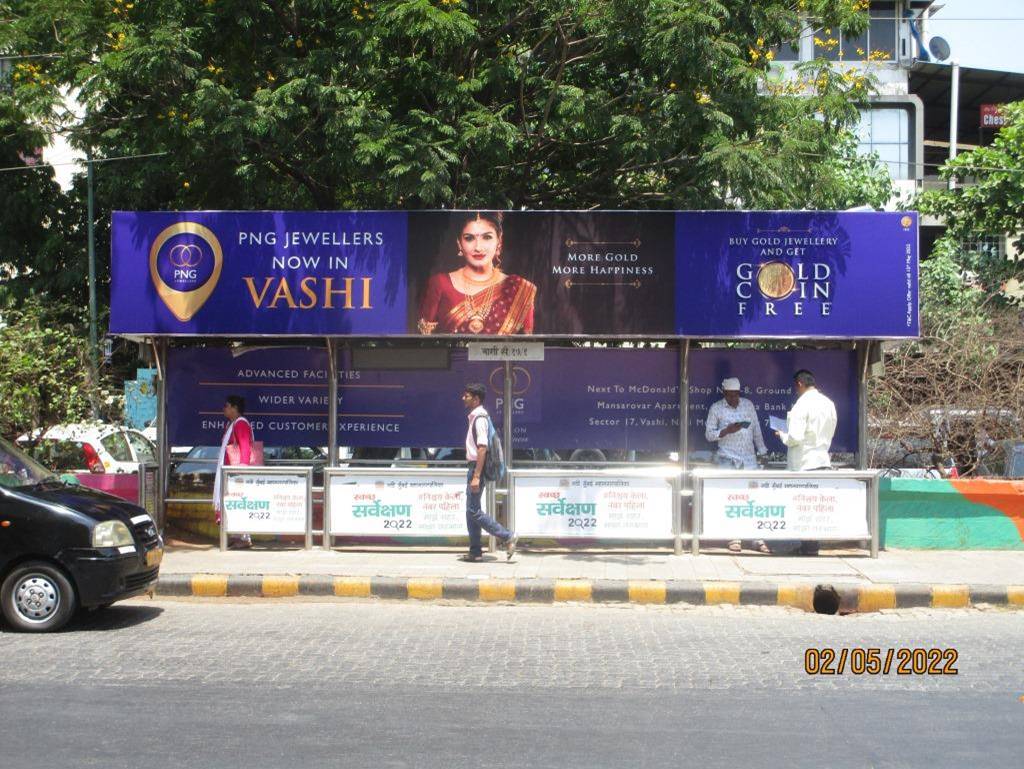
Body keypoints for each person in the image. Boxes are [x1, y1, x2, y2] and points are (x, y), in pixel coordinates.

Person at [417, 211, 537, 335]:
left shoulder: (518, 289)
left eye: (487, 237)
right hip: (451, 355)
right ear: (459, 243)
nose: (478, 247)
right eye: (469, 238)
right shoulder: (440, 283)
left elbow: (527, 346)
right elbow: (426, 342)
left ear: (499, 242)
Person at [774, 370, 837, 556]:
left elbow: (795, 437)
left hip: (804, 463)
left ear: (799, 384)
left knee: (803, 507)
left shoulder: (802, 405)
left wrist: (782, 434)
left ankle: (809, 547)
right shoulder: (829, 403)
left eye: (796, 387)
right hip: (822, 459)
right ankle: (811, 546)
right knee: (815, 507)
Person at [705, 376, 769, 553]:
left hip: (749, 459)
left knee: (753, 500)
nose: (734, 398)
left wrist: (762, 452)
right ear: (724, 393)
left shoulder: (747, 405)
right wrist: (726, 431)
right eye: (730, 395)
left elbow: (756, 430)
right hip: (727, 459)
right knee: (731, 499)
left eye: (736, 395)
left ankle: (757, 538)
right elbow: (709, 435)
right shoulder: (716, 408)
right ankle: (734, 537)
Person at [459, 383, 518, 562]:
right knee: (471, 511)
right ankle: (475, 551)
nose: (463, 398)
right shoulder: (476, 417)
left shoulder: (480, 418)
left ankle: (507, 536)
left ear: (476, 399)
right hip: (475, 467)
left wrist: (476, 476)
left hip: (477, 468)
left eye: (467, 396)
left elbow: (482, 448)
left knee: (474, 511)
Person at [214, 394, 255, 549]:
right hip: (230, 473)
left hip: (236, 474)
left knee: (239, 502)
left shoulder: (240, 424)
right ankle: (235, 535)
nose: (224, 409)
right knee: (232, 502)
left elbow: (245, 447)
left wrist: (241, 471)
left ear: (234, 408)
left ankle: (244, 538)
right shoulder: (232, 425)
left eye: (226, 406)